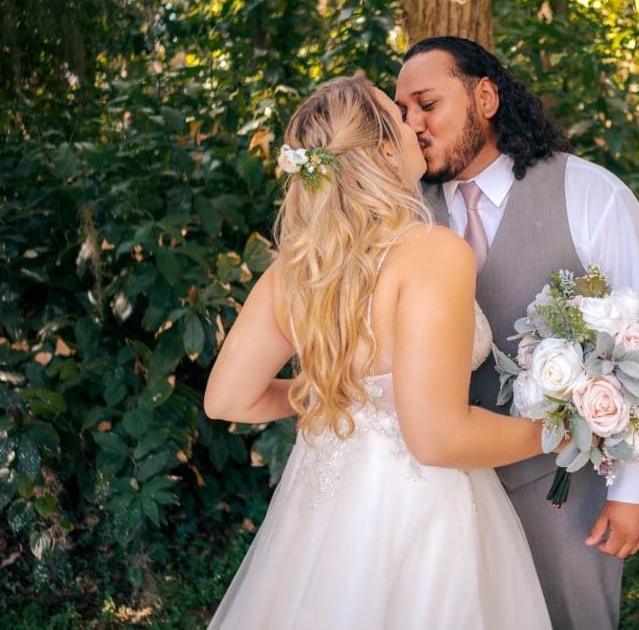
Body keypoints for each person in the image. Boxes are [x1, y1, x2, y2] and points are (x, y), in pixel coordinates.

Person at [203, 73, 553, 629]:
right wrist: (558, 429)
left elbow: (228, 399)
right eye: (399, 114)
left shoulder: (295, 269)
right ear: (386, 149)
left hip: (322, 511)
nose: (415, 123)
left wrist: (333, 393)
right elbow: (437, 438)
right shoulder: (432, 252)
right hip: (421, 514)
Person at [395, 36, 639, 630]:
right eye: (402, 113)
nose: (412, 124)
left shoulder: (589, 191)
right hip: (437, 493)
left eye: (427, 104)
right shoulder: (402, 212)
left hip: (558, 487)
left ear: (485, 97)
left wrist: (636, 489)